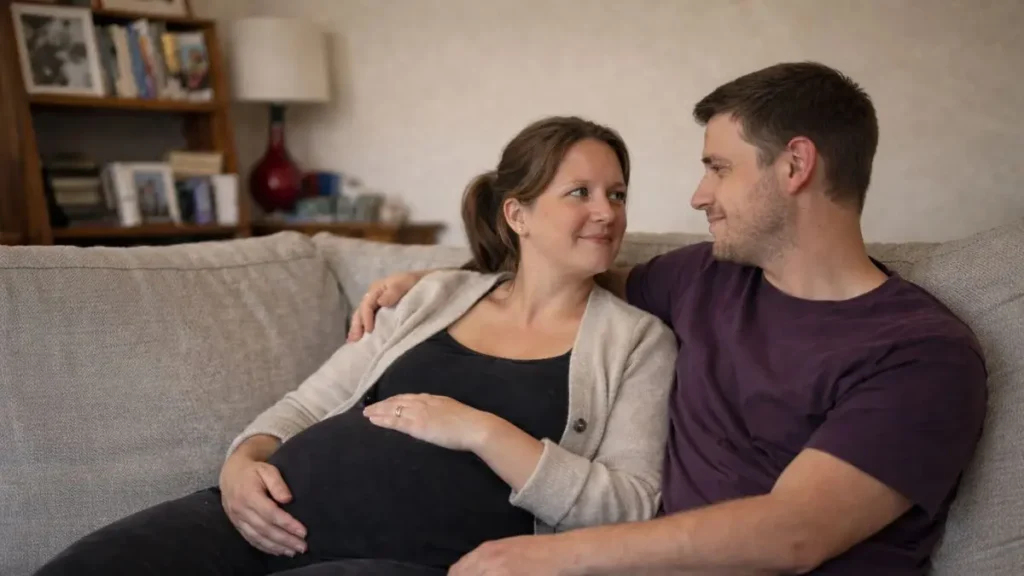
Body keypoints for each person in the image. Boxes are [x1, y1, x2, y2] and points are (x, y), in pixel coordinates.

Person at [347, 62, 989, 576]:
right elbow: (565, 278)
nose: (698, 195)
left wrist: (547, 559)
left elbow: (793, 534)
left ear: (796, 165)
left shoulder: (920, 353)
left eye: (718, 168)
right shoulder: (703, 278)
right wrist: (441, 285)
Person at [33, 116, 678, 576]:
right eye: (581, 193)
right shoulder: (436, 297)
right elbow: (309, 403)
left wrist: (479, 430)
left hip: (403, 558)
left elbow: (629, 505)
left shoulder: (637, 342)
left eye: (617, 194)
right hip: (258, 518)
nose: (609, 213)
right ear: (518, 214)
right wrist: (243, 463)